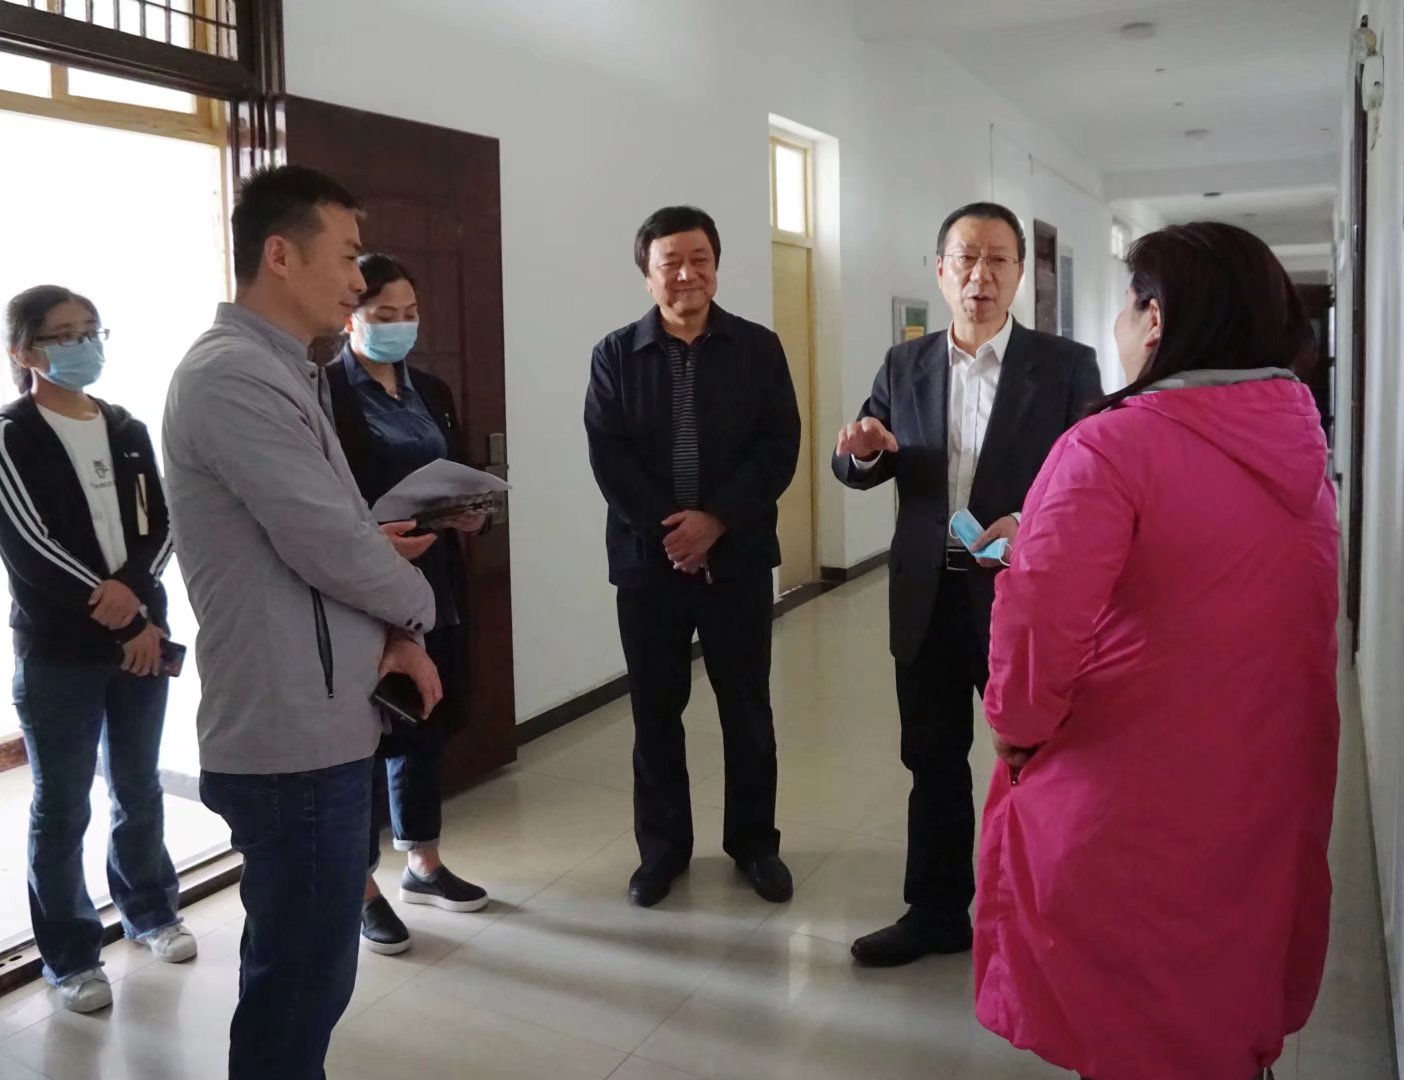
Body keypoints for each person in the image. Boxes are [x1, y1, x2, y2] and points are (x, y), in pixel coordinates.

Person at [974, 222, 1339, 1080]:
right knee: (1222, 988)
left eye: (1126, 304)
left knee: (1135, 1012)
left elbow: (1038, 621)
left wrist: (1017, 728)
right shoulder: (1298, 445)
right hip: (1263, 778)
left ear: (1156, 318)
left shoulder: (1113, 444)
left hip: (1135, 794)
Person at [163, 166, 440, 1080]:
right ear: (279, 254)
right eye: (349, 257)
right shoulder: (231, 377)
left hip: (323, 714)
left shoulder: (287, 369)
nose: (359, 281)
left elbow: (336, 531)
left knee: (303, 969)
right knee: (300, 982)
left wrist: (394, 633)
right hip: (288, 735)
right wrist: (419, 608)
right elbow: (327, 540)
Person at [833, 201, 1102, 967]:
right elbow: (861, 461)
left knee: (1043, 761)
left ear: (1019, 273)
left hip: (1021, 595)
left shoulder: (1065, 366)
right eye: (965, 258)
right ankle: (936, 911)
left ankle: (1050, 914)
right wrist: (861, 452)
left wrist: (1032, 520)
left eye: (997, 259)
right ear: (941, 270)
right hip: (927, 593)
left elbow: (1090, 477)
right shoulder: (904, 365)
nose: (980, 275)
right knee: (932, 758)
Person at [584, 206, 801, 908]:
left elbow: (779, 447)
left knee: (747, 708)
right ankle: (663, 851)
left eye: (699, 258)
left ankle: (755, 845)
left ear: (716, 266)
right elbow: (609, 456)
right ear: (647, 276)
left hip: (737, 559)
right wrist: (672, 535)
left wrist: (716, 521)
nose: (687, 273)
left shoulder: (757, 348)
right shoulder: (616, 355)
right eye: (670, 262)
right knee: (656, 712)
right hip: (648, 566)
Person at [0, 286, 196, 1015]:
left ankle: (150, 910)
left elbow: (165, 524)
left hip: (142, 637)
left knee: (138, 783)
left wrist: (138, 608)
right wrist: (124, 621)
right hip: (60, 651)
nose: (83, 346)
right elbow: (32, 547)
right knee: (62, 803)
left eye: (91, 331)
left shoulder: (126, 426)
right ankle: (71, 954)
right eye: (63, 335)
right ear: (23, 352)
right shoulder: (11, 435)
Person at [327, 253, 491, 955]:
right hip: (363, 583)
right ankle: (360, 886)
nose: (399, 326)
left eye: (410, 314)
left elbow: (451, 468)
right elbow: (321, 502)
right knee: (368, 732)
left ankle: (423, 860)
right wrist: (374, 535)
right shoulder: (325, 393)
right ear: (350, 317)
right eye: (383, 314)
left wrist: (466, 512)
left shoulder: (431, 389)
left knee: (425, 718)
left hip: (434, 577)